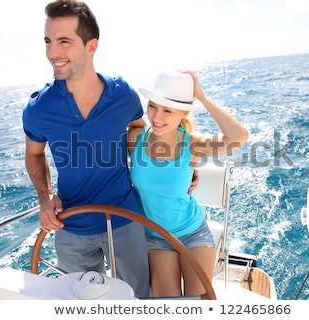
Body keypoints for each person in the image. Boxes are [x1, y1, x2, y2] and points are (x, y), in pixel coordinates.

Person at [22, 0, 153, 297]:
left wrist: (172, 167)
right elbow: (33, 153)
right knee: (80, 307)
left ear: (91, 46)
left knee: (138, 300)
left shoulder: (123, 95)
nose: (52, 53)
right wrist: (45, 197)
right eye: (48, 41)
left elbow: (139, 128)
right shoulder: (38, 108)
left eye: (64, 42)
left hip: (124, 219)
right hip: (70, 225)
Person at [128, 70, 249, 297]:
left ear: (183, 112)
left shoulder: (192, 145)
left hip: (193, 233)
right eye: (152, 106)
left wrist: (202, 97)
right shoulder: (136, 138)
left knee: (200, 302)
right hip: (154, 236)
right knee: (171, 305)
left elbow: (239, 137)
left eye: (167, 110)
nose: (156, 117)